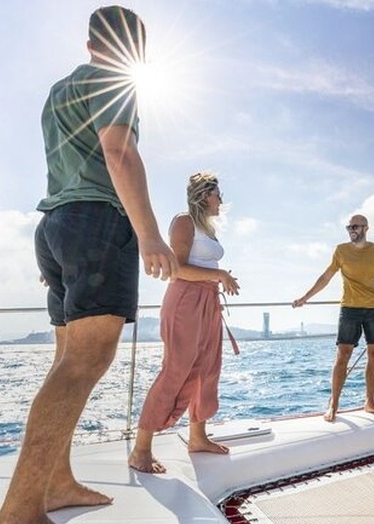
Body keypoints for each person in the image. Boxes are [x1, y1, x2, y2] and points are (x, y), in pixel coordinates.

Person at [0, 7, 177, 524]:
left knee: (65, 363)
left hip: (57, 225)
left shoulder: (59, 90)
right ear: (134, 48)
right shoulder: (116, 79)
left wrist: (63, 247)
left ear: (89, 40)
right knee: (84, 363)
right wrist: (149, 235)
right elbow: (117, 151)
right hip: (97, 223)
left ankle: (55, 482)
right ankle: (19, 512)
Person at [128, 172, 240, 474]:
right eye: (218, 193)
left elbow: (203, 265)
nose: (221, 199)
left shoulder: (207, 228)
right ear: (205, 195)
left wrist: (219, 277)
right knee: (176, 370)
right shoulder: (183, 221)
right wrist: (220, 275)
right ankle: (141, 449)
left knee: (208, 368)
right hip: (186, 300)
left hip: (208, 300)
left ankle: (198, 437)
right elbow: (177, 269)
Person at [293, 214, 374, 422]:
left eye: (355, 226)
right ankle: (333, 405)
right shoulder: (341, 250)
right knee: (342, 356)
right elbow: (326, 277)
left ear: (365, 228)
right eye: (349, 227)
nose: (351, 230)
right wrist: (305, 297)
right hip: (349, 308)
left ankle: (370, 402)